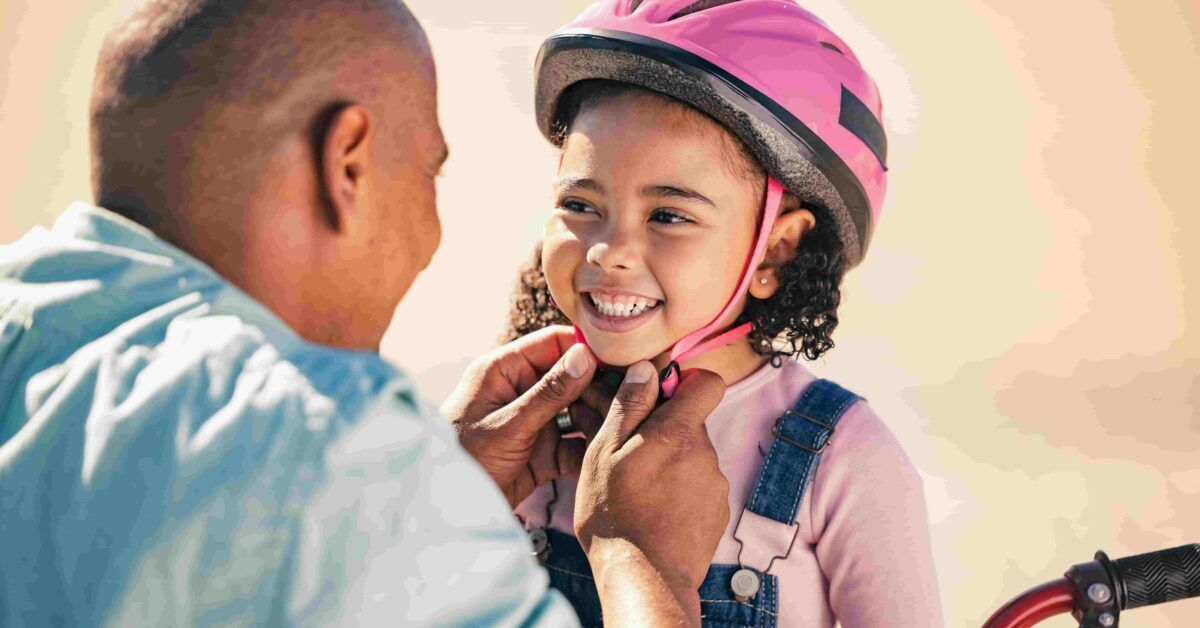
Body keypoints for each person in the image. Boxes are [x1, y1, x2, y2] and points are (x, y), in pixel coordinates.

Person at [0, 0, 732, 625]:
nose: (433, 235)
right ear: (345, 163)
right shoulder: (327, 439)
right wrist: (645, 561)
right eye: (428, 172)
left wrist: (438, 499)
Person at [504, 1, 943, 625]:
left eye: (669, 216)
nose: (609, 252)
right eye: (580, 203)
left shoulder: (843, 458)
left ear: (776, 249)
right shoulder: (519, 426)